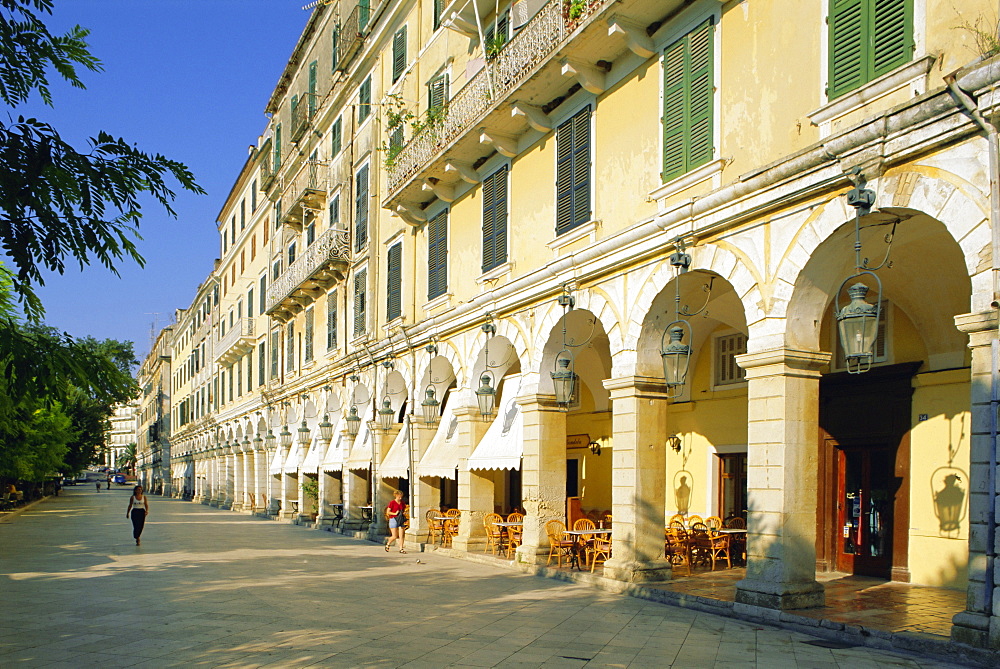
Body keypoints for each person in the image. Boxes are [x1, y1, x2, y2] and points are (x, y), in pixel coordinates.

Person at [384, 489, 407, 554]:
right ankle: (388, 543)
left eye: (401, 496)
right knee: (394, 536)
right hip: (393, 519)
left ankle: (401, 548)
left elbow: (404, 509)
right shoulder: (392, 503)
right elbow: (388, 512)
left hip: (400, 519)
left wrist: (403, 513)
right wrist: (394, 513)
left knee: (401, 535)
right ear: (396, 496)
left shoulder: (402, 503)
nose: (400, 498)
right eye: (399, 496)